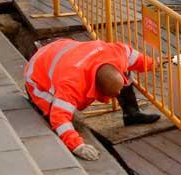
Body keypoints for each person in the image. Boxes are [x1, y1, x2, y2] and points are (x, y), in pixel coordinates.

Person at [24, 38, 160, 160]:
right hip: (36, 75)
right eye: (112, 93)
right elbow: (59, 117)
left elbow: (134, 57)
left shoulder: (116, 53)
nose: (118, 93)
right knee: (53, 111)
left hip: (62, 51)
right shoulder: (72, 85)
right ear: (97, 88)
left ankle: (131, 114)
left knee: (125, 73)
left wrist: (153, 64)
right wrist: (76, 145)